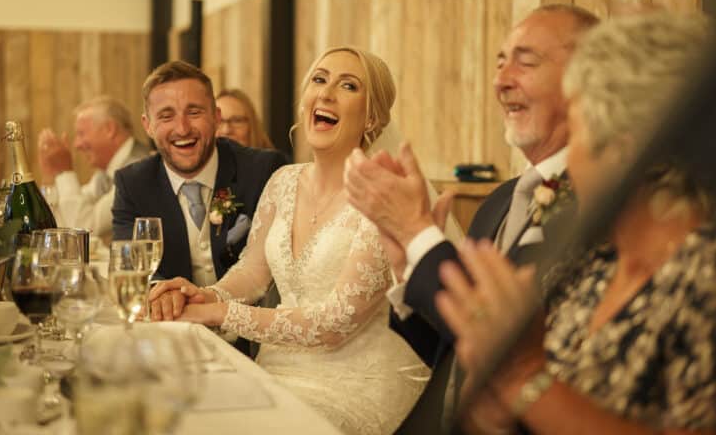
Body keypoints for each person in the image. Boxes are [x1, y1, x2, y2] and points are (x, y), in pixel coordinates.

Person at [149, 47, 461, 434]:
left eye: (348, 85)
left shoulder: (383, 193)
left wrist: (219, 314)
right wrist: (205, 295)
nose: (327, 93)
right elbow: (251, 273)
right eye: (319, 79)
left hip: (356, 387)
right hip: (276, 370)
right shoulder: (283, 181)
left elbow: (336, 321)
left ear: (373, 117)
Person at [436, 12, 716, 433]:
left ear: (623, 153)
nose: (572, 156)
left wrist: (524, 378)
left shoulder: (703, 277)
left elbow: (535, 385)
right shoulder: (594, 266)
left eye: (578, 131)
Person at [344, 4, 599, 429]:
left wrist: (417, 233)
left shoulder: (599, 205)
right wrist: (408, 270)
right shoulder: (499, 202)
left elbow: (518, 351)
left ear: (587, 79)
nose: (500, 82)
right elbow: (450, 352)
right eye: (499, 63)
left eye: (526, 62)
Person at [112, 61, 287, 294]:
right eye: (166, 116)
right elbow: (132, 266)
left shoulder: (264, 170)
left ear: (216, 118)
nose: (183, 129)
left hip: (249, 324)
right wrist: (162, 292)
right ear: (148, 126)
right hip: (176, 325)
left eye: (194, 112)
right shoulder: (133, 184)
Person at [37, 96, 150, 242]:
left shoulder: (137, 168)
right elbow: (65, 220)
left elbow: (82, 229)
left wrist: (64, 172)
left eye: (81, 134)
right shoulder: (105, 173)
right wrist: (50, 176)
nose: (76, 145)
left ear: (110, 129)